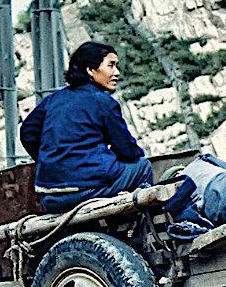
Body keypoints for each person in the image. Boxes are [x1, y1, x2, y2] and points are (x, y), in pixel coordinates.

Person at [20, 41, 153, 214]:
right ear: (90, 70)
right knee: (142, 166)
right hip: (84, 190)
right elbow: (128, 150)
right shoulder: (104, 102)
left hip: (49, 195)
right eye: (111, 66)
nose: (117, 73)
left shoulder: (53, 99)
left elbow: (27, 132)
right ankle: (140, 229)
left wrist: (49, 158)